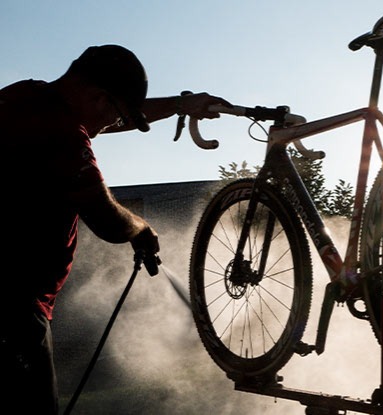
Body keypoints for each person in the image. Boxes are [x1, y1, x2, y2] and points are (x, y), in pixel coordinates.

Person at [0, 44, 230, 414]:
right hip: (13, 311)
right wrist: (139, 227)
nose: (109, 128)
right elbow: (107, 220)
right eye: (112, 117)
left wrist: (180, 104)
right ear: (99, 98)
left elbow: (103, 118)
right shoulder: (65, 137)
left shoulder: (23, 98)